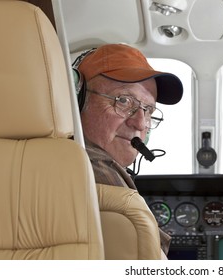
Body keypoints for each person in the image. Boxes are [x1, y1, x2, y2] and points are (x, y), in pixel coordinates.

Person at [77, 43, 183, 258]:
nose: (140, 123)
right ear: (77, 100)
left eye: (148, 110)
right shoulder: (94, 167)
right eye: (124, 100)